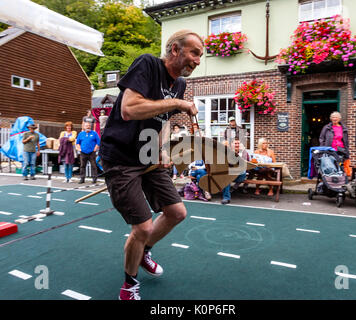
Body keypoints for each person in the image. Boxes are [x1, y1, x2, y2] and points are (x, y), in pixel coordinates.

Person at [98, 30, 203, 300]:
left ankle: (144, 251)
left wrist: (162, 148)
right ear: (175, 50)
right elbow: (129, 109)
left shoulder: (178, 83)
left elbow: (164, 119)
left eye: (200, 55)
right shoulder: (147, 64)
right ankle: (129, 285)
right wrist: (179, 103)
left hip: (148, 156)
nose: (198, 60)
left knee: (176, 212)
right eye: (194, 53)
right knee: (142, 227)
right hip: (120, 157)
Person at [319, 111, 350, 176]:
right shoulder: (326, 127)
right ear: (331, 118)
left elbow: (346, 141)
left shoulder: (343, 128)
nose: (334, 119)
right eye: (333, 117)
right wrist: (323, 148)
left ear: (339, 119)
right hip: (329, 150)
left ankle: (338, 181)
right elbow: (321, 138)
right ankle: (330, 180)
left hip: (340, 150)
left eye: (336, 117)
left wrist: (346, 152)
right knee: (329, 166)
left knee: (339, 166)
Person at [221, 139, 249, 205]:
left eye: (238, 143)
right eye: (235, 143)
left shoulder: (244, 152)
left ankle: (227, 195)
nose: (237, 145)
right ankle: (226, 198)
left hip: (240, 175)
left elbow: (245, 164)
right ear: (232, 145)